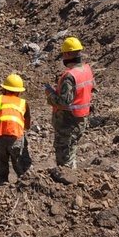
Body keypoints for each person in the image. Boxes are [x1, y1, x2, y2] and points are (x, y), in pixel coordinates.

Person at [44, 36, 95, 169]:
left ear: (67, 54)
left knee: (64, 160)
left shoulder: (70, 76)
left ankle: (68, 184)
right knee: (71, 154)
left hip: (67, 124)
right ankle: (73, 178)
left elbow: (64, 102)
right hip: (80, 121)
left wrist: (49, 93)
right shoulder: (86, 70)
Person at [0, 73, 32, 186]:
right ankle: (23, 188)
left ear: (4, 89)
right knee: (22, 168)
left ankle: (1, 187)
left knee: (1, 168)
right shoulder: (23, 103)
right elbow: (28, 125)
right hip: (17, 139)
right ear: (19, 91)